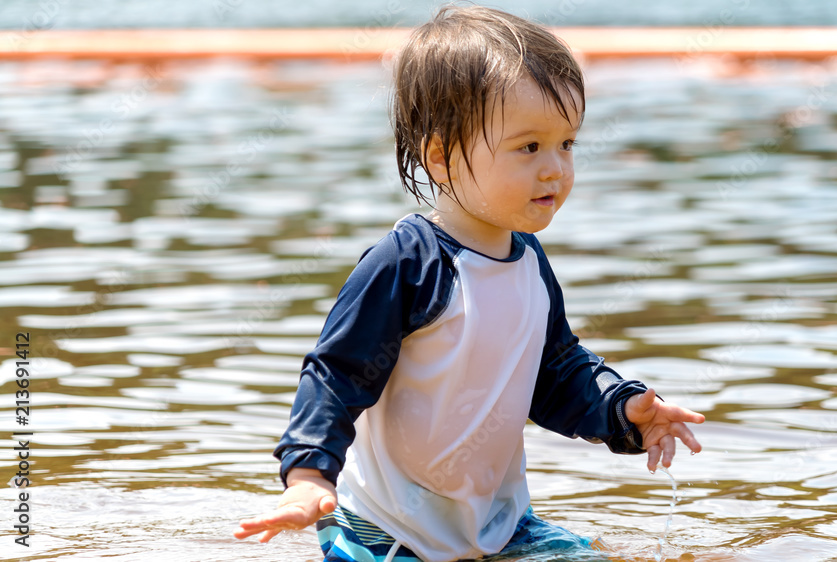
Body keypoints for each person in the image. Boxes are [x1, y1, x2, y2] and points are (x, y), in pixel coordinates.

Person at [234, 5, 704, 561]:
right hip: (385, 530)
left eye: (567, 143)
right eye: (529, 147)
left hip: (498, 525)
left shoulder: (527, 259)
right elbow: (336, 376)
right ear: (441, 157)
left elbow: (554, 372)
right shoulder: (407, 263)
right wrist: (309, 477)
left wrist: (622, 409)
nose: (555, 168)